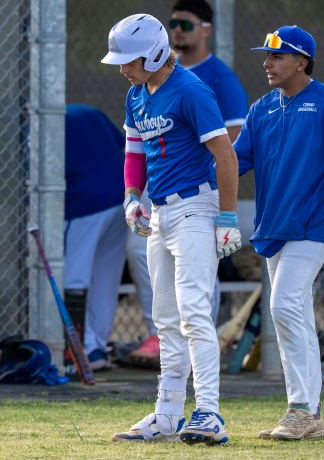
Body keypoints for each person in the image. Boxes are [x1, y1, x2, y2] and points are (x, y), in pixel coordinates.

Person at [101, 14, 241, 445]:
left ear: (156, 53)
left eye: (131, 60)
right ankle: (166, 414)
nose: (124, 68)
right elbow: (135, 151)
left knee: (195, 314)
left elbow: (226, 158)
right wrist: (130, 196)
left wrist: (228, 217)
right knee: (165, 320)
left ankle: (210, 413)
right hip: (160, 214)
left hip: (196, 209)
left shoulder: (192, 91)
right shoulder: (136, 94)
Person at [234, 25, 324, 441]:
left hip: (313, 226)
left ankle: (301, 409)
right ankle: (311, 413)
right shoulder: (262, 109)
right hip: (275, 228)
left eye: (277, 56)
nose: (268, 63)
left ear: (301, 62)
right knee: (294, 312)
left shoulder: (321, 103)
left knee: (285, 306)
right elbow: (234, 164)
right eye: (266, 56)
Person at [64, 103, 129, 371]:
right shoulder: (87, 111)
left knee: (71, 276)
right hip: (121, 198)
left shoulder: (45, 122)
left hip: (84, 203)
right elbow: (122, 146)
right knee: (105, 277)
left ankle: (78, 352)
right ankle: (96, 347)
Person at [170, 0, 248, 142]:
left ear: (206, 30)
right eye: (174, 24)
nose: (178, 29)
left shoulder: (222, 78)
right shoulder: (162, 71)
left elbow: (235, 134)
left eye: (186, 25)